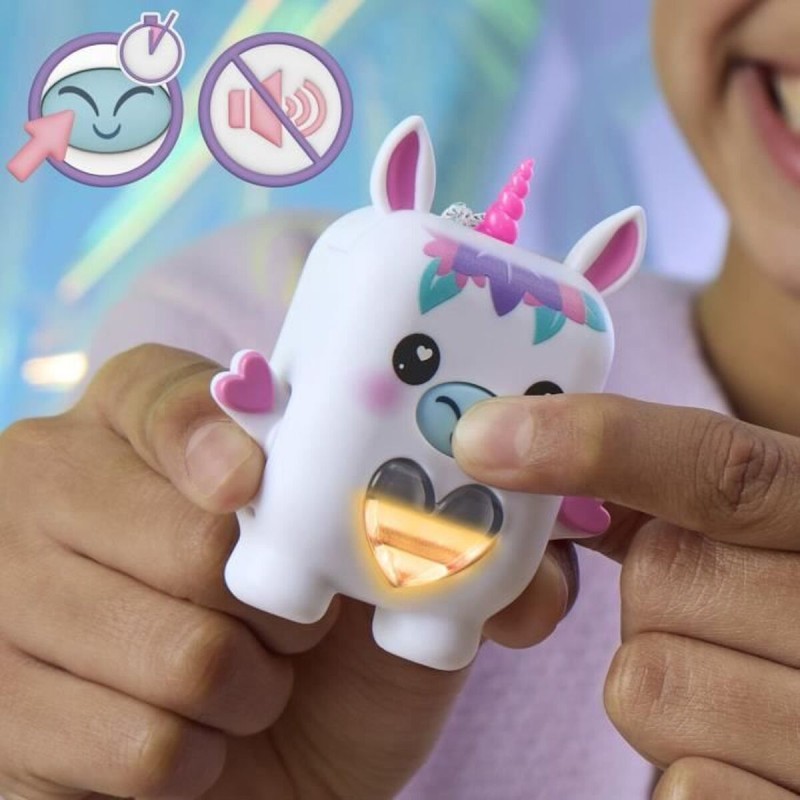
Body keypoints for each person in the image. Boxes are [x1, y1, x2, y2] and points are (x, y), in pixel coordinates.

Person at [1, 0, 798, 798]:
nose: (469, 417)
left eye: (538, 394)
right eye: (417, 359)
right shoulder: (247, 304)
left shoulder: (579, 335)